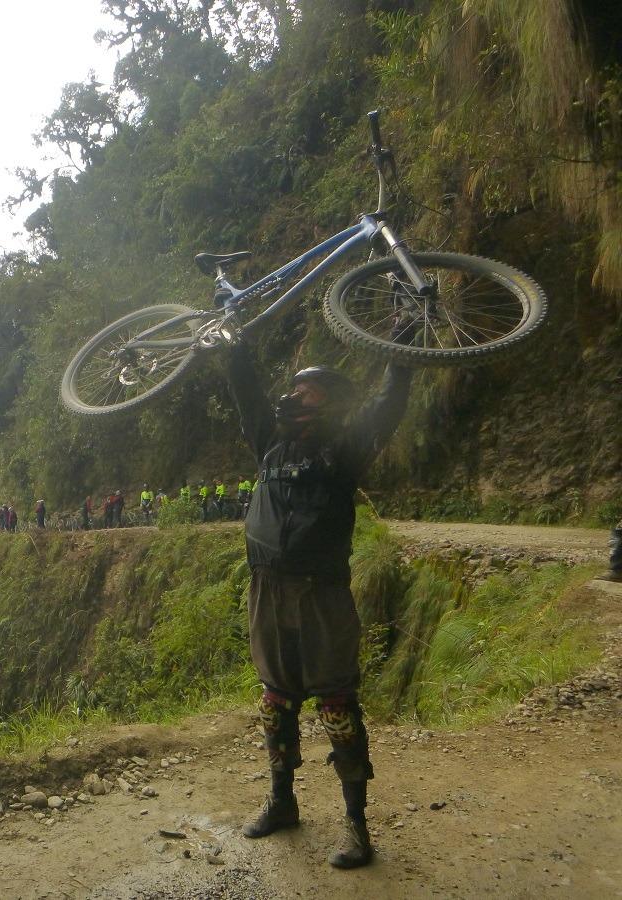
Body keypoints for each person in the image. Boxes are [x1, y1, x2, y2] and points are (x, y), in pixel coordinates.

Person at [224, 329, 413, 870]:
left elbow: (388, 405)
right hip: (266, 590)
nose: (295, 396)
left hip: (321, 595)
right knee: (274, 700)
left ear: (329, 402)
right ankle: (282, 802)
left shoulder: (344, 449)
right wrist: (234, 347)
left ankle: (357, 828)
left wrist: (400, 350)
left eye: (308, 392)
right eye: (295, 388)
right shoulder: (269, 443)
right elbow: (247, 394)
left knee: (337, 705)